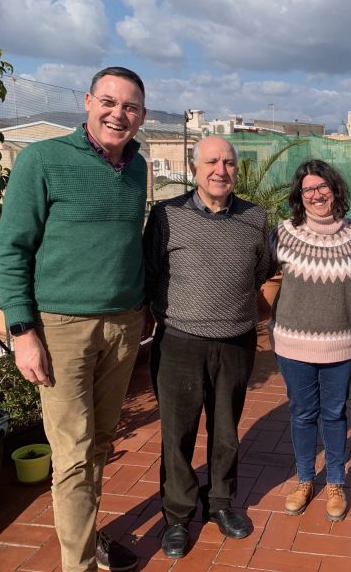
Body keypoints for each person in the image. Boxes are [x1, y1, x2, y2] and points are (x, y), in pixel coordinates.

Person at [0, 67, 148, 572]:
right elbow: (12, 249)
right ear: (87, 102)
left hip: (123, 326)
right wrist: (22, 331)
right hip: (60, 329)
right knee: (74, 454)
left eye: (129, 107)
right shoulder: (42, 159)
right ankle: (76, 564)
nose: (117, 114)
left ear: (141, 116)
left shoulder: (139, 166)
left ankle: (87, 534)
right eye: (108, 101)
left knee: (100, 443)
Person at [143, 136, 273, 559]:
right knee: (177, 435)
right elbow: (152, 271)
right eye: (212, 162)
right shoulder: (166, 215)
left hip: (236, 341)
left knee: (226, 432)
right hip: (180, 342)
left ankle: (220, 503)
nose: (221, 170)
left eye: (230, 163)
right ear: (195, 168)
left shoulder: (256, 217)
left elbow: (260, 271)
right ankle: (177, 516)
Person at [272, 159, 351, 522]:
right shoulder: (283, 233)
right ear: (300, 196)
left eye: (322, 186)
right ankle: (303, 478)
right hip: (293, 343)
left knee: (334, 414)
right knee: (302, 413)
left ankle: (335, 481)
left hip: (340, 344)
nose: (317, 194)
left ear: (335, 188)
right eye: (308, 189)